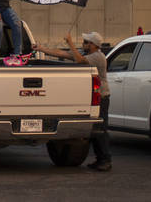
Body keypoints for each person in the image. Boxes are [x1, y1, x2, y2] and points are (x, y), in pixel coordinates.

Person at [34, 31, 111, 171]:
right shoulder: (86, 54)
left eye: (86, 42)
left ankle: (105, 160)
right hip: (95, 97)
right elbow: (63, 54)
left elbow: (80, 60)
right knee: (94, 130)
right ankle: (100, 160)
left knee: (100, 130)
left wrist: (70, 42)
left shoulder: (98, 57)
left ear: (93, 45)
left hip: (102, 98)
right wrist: (41, 49)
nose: (83, 44)